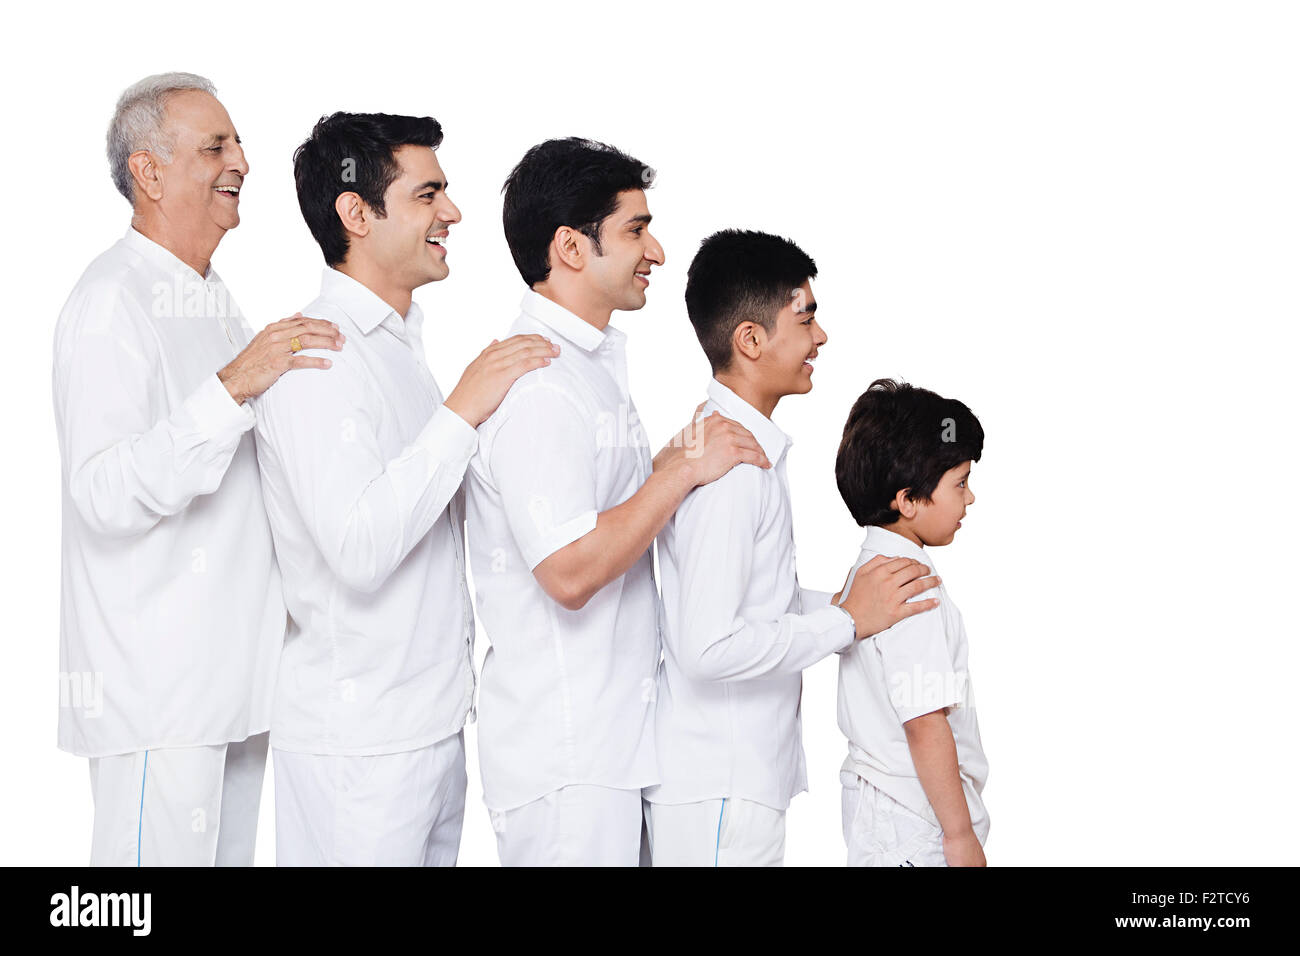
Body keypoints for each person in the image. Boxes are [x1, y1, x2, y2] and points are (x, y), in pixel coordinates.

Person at [53, 72, 344, 866]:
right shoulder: (112, 300)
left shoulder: (212, 299)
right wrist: (233, 386)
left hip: (237, 695)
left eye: (239, 142)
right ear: (147, 172)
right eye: (215, 145)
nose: (241, 160)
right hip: (161, 700)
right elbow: (102, 493)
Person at [253, 112, 557, 866]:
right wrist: (464, 409)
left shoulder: (396, 349)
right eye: (428, 195)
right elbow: (358, 548)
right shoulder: (315, 353)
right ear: (356, 212)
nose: (451, 213)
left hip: (428, 733)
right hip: (357, 751)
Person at [464, 138, 772, 866]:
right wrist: (681, 475)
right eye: (635, 229)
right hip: (568, 758)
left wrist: (669, 464)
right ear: (571, 247)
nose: (657, 251)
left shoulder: (585, 367)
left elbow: (602, 520)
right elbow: (568, 570)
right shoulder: (540, 384)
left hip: (610, 752)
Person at [645, 230, 943, 866]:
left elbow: (754, 600)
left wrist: (837, 603)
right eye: (805, 317)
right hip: (719, 783)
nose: (820, 338)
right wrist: (844, 621)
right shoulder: (731, 470)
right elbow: (708, 646)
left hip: (730, 782)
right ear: (751, 340)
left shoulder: (733, 449)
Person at [835, 378, 990, 866]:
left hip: (887, 812)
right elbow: (924, 721)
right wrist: (961, 834)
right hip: (914, 822)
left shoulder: (871, 572)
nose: (970, 500)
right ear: (908, 500)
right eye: (960, 483)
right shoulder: (909, 586)